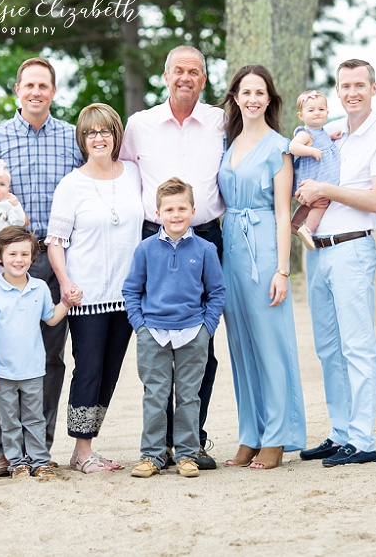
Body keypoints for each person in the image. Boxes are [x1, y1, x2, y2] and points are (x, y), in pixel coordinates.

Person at [119, 45, 226, 470]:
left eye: (195, 72)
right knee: (158, 359)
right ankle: (157, 447)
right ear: (166, 77)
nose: (186, 77)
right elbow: (124, 175)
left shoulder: (220, 120)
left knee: (202, 352)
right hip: (154, 235)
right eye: (178, 70)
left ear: (203, 79)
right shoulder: (140, 124)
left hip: (206, 236)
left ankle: (191, 443)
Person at [296, 59, 376, 467]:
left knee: (357, 346)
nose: (352, 91)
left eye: (360, 84)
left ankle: (362, 439)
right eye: (345, 85)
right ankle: (340, 432)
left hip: (353, 248)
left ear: (375, 88)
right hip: (318, 250)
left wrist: (327, 189)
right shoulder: (334, 132)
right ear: (337, 91)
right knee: (328, 349)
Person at [0, 58, 84, 473]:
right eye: (29, 85)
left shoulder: (70, 139)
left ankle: (39, 446)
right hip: (13, 262)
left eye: (44, 85)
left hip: (58, 257)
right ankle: (6, 450)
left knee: (50, 357)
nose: (36, 92)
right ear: (17, 90)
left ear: (54, 92)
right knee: (8, 356)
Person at [217, 64, 306, 470]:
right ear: (235, 97)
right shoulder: (227, 143)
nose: (252, 99)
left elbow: (284, 211)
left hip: (265, 249)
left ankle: (277, 436)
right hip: (230, 250)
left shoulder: (279, 147)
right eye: (245, 92)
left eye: (260, 92)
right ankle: (250, 434)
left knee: (271, 344)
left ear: (270, 99)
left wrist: (282, 270)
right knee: (241, 346)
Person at [46, 103, 142, 474]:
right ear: (82, 139)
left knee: (112, 370)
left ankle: (86, 448)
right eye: (90, 133)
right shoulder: (73, 184)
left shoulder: (133, 173)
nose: (98, 138)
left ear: (116, 135)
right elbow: (56, 241)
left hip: (126, 293)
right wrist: (66, 282)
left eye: (104, 131)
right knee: (88, 368)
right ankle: (82, 451)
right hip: (86, 296)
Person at [122, 178, 226, 479]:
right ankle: (153, 455)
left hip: (193, 332)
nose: (176, 214)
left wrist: (207, 327)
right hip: (153, 332)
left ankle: (187, 455)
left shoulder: (205, 249)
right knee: (155, 394)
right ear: (158, 213)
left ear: (193, 211)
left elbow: (216, 292)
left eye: (182, 208)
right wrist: (140, 326)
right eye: (169, 209)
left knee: (189, 396)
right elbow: (132, 290)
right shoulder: (145, 249)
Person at [0, 226, 71, 480]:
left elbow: (51, 319)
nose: (19, 260)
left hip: (33, 369)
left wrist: (66, 303)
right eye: (12, 254)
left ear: (32, 257)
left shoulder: (39, 288)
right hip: (3, 372)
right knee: (9, 421)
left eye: (24, 254)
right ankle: (16, 462)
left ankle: (39, 461)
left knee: (34, 419)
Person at [289, 90, 341, 251]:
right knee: (320, 205)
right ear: (301, 115)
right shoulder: (305, 133)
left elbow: (321, 141)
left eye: (321, 109)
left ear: (327, 112)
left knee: (309, 204)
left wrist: (330, 137)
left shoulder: (321, 132)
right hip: (312, 178)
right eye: (311, 110)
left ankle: (294, 223)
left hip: (318, 179)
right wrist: (311, 151)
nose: (316, 113)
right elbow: (293, 147)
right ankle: (308, 229)